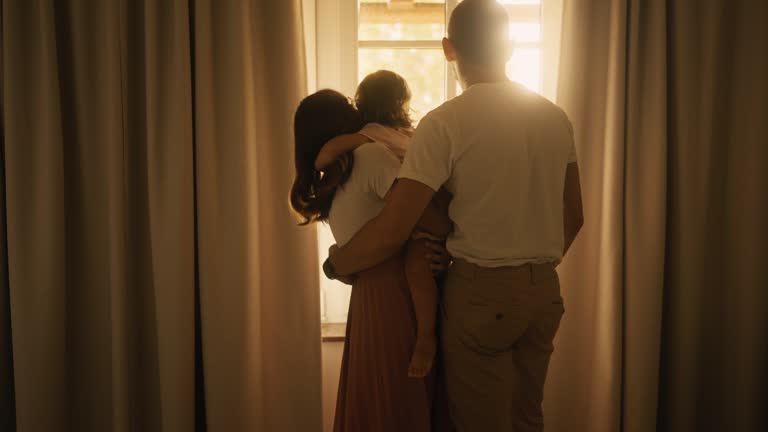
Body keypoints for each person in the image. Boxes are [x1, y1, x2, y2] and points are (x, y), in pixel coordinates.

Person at [321, 1, 585, 431]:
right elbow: (574, 215)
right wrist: (532, 266)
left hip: (481, 293)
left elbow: (394, 228)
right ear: (510, 47)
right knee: (526, 417)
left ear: (449, 49)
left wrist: (338, 263)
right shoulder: (554, 118)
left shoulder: (444, 123)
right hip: (542, 292)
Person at [289, 89, 453, 431]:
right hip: (399, 291)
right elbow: (429, 218)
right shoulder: (372, 157)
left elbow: (353, 239)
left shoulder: (333, 175)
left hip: (369, 295)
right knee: (401, 399)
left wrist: (336, 261)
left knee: (379, 399)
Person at [315, 70, 452, 378]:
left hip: (424, 202)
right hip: (413, 212)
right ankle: (426, 337)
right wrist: (361, 138)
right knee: (418, 265)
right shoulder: (371, 135)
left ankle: (428, 334)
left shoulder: (413, 133)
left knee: (420, 265)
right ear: (401, 101)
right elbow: (323, 158)